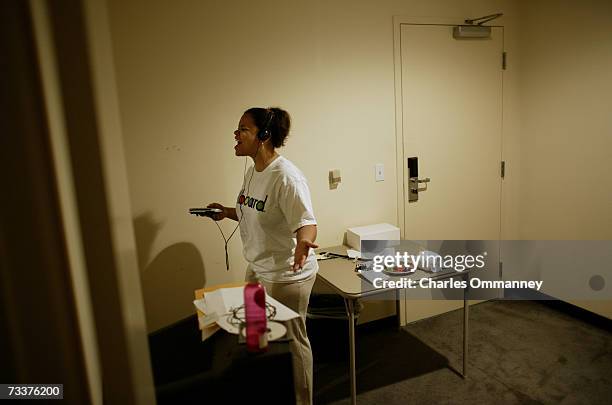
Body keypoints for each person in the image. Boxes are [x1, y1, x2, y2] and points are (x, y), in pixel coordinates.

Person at [208, 107, 318, 405]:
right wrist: (227, 213)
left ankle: (301, 400)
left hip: (286, 273)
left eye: (243, 128)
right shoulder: (254, 172)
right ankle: (268, 391)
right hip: (258, 267)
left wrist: (303, 243)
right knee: (256, 336)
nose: (236, 134)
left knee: (291, 343)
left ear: (264, 136)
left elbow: (307, 222)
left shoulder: (287, 177)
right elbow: (254, 212)